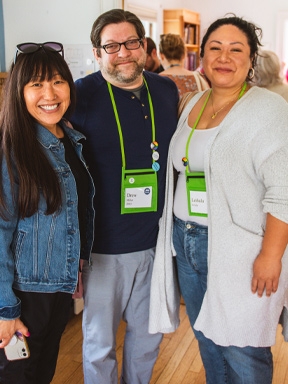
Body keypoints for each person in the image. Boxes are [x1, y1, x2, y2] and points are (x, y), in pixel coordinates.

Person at [149, 15, 288, 384]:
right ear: (202, 57)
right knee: (207, 339)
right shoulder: (193, 101)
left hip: (242, 250)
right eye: (215, 48)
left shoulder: (269, 110)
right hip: (186, 239)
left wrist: (271, 256)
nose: (224, 57)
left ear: (251, 60)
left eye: (236, 49)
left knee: (243, 348)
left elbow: (284, 190)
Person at [69, 8, 179, 384]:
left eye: (131, 42)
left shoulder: (165, 90)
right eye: (111, 46)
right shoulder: (79, 96)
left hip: (156, 243)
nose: (123, 53)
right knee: (99, 345)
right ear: (97, 53)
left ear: (145, 46)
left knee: (147, 339)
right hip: (102, 250)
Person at [0, 42, 95, 383]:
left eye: (57, 81)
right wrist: (4, 310)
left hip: (57, 288)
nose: (49, 93)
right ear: (18, 92)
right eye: (36, 84)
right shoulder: (11, 149)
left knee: (41, 374)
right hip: (23, 294)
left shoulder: (70, 139)